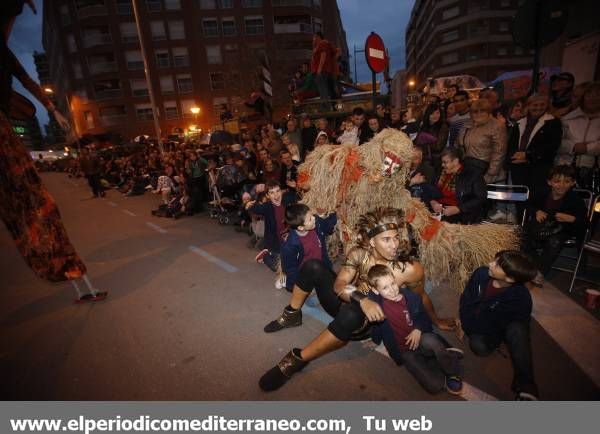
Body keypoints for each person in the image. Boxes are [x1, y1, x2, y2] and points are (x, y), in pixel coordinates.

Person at [258, 208, 456, 392]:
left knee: (352, 313)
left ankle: (298, 360)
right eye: (386, 239)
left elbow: (420, 297)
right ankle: (292, 314)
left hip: (367, 323)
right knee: (313, 266)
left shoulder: (409, 268)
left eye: (396, 238)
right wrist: (361, 299)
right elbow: (339, 284)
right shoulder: (359, 254)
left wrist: (436, 320)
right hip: (346, 302)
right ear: (372, 242)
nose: (394, 245)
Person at [0, 0, 105, 301]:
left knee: (40, 206)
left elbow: (28, 81)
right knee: (34, 206)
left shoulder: (5, 53)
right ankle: (63, 266)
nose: (10, 29)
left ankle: (67, 268)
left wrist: (51, 109)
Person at [367, 264, 464, 395]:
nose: (392, 290)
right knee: (434, 386)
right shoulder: (377, 305)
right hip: (404, 351)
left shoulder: (412, 298)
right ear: (376, 291)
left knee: (430, 340)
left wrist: (418, 329)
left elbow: (425, 319)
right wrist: (375, 340)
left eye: (393, 283)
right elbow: (376, 325)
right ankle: (445, 355)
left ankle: (452, 371)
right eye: (385, 288)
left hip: (421, 339)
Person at [458, 250, 540, 400]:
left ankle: (527, 387)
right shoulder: (481, 274)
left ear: (509, 278)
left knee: (518, 329)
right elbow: (466, 299)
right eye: (494, 260)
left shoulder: (520, 298)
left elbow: (495, 325)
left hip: (496, 329)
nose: (490, 264)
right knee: (478, 346)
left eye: (496, 265)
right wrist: (465, 322)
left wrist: (470, 326)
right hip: (476, 321)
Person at [523, 165, 588, 275]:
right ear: (549, 182)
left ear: (573, 183)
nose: (561, 185)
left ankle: (539, 272)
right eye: (557, 181)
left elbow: (585, 223)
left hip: (562, 231)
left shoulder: (576, 200)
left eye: (566, 182)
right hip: (540, 227)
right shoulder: (542, 193)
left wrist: (572, 219)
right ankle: (533, 265)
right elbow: (526, 204)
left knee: (554, 242)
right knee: (521, 235)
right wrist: (536, 211)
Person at [507, 94, 562, 204]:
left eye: (542, 104)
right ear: (528, 106)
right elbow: (511, 145)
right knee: (519, 200)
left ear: (547, 105)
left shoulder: (553, 122)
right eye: (535, 105)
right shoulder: (519, 123)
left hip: (539, 169)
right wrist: (514, 157)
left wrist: (528, 156)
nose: (538, 107)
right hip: (518, 168)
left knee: (536, 201)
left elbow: (552, 147)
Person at [277, 204, 337, 294]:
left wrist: (335, 214)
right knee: (311, 302)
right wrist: (303, 286)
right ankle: (268, 258)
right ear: (301, 228)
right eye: (310, 219)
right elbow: (290, 269)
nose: (314, 218)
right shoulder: (289, 246)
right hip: (304, 274)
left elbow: (327, 225)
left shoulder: (316, 223)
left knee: (335, 287)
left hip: (322, 267)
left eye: (312, 215)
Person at [556, 82, 600, 191]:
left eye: (597, 95)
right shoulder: (567, 119)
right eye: (589, 95)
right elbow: (556, 142)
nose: (592, 99)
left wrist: (588, 148)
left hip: (595, 172)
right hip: (566, 168)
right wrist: (573, 146)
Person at [247, 180, 297, 272]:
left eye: (278, 191)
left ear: (281, 191)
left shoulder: (286, 199)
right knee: (278, 267)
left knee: (295, 260)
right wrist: (248, 205)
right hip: (274, 241)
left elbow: (298, 196)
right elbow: (255, 208)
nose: (276, 195)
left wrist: (295, 187)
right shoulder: (267, 207)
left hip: (288, 238)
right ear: (267, 196)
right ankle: (265, 256)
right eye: (272, 193)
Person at [430, 147, 486, 224]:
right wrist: (432, 202)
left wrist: (459, 209)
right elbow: (430, 189)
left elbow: (480, 198)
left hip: (461, 214)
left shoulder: (473, 174)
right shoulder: (440, 172)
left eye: (445, 162)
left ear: (456, 161)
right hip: (438, 211)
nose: (442, 165)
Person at [457, 98, 507, 184]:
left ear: (489, 111)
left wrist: (490, 174)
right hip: (469, 170)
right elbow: (459, 145)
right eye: (475, 111)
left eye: (482, 111)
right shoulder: (468, 124)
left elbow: (499, 152)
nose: (478, 114)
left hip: (488, 173)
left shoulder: (497, 126)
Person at [416, 103, 449, 175]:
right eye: (432, 114)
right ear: (428, 115)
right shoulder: (423, 126)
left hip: (436, 160)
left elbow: (438, 147)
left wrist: (425, 140)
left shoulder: (443, 126)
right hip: (423, 159)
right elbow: (417, 142)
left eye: (437, 113)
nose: (435, 116)